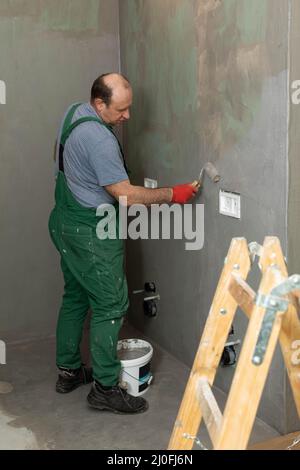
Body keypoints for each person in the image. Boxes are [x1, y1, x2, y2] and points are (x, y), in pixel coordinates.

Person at [48, 73, 199, 415]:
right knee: (110, 305)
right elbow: (125, 195)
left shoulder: (74, 112)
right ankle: (104, 388)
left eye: (129, 108)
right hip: (90, 230)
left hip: (63, 221)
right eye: (121, 110)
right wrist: (172, 195)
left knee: (75, 296)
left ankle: (69, 372)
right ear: (99, 104)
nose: (127, 117)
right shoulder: (98, 139)